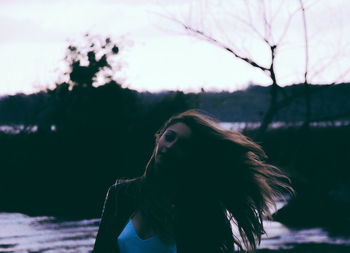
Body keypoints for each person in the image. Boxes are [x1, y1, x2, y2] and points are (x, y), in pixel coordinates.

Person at [93, 109, 293, 253]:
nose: (170, 146)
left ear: (192, 157)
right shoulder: (121, 194)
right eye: (169, 137)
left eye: (183, 145)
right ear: (159, 139)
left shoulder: (202, 207)